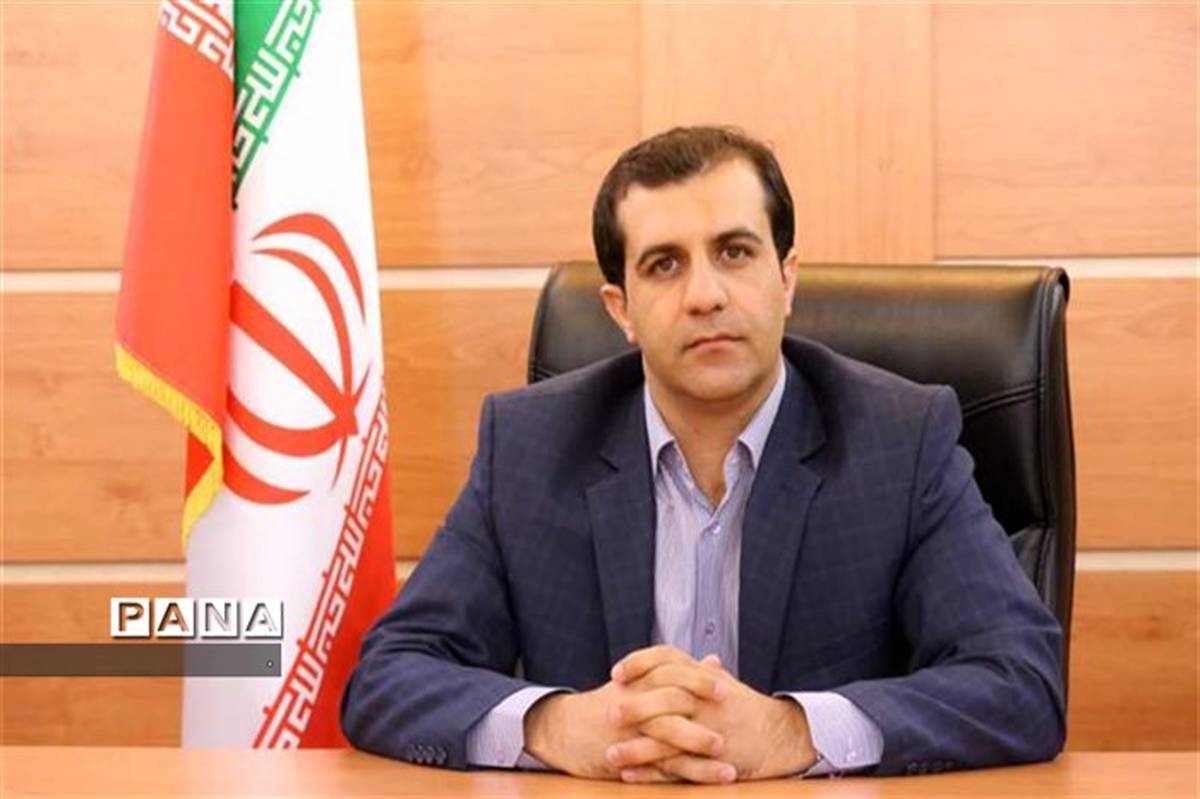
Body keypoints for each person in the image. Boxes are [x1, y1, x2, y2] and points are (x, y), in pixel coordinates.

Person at [341, 126, 1065, 783]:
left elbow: (1022, 681)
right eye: (664, 265)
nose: (705, 295)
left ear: (786, 278)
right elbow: (390, 675)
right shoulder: (530, 447)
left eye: (735, 253)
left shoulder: (899, 440)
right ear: (620, 309)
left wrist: (792, 732)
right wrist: (557, 726)